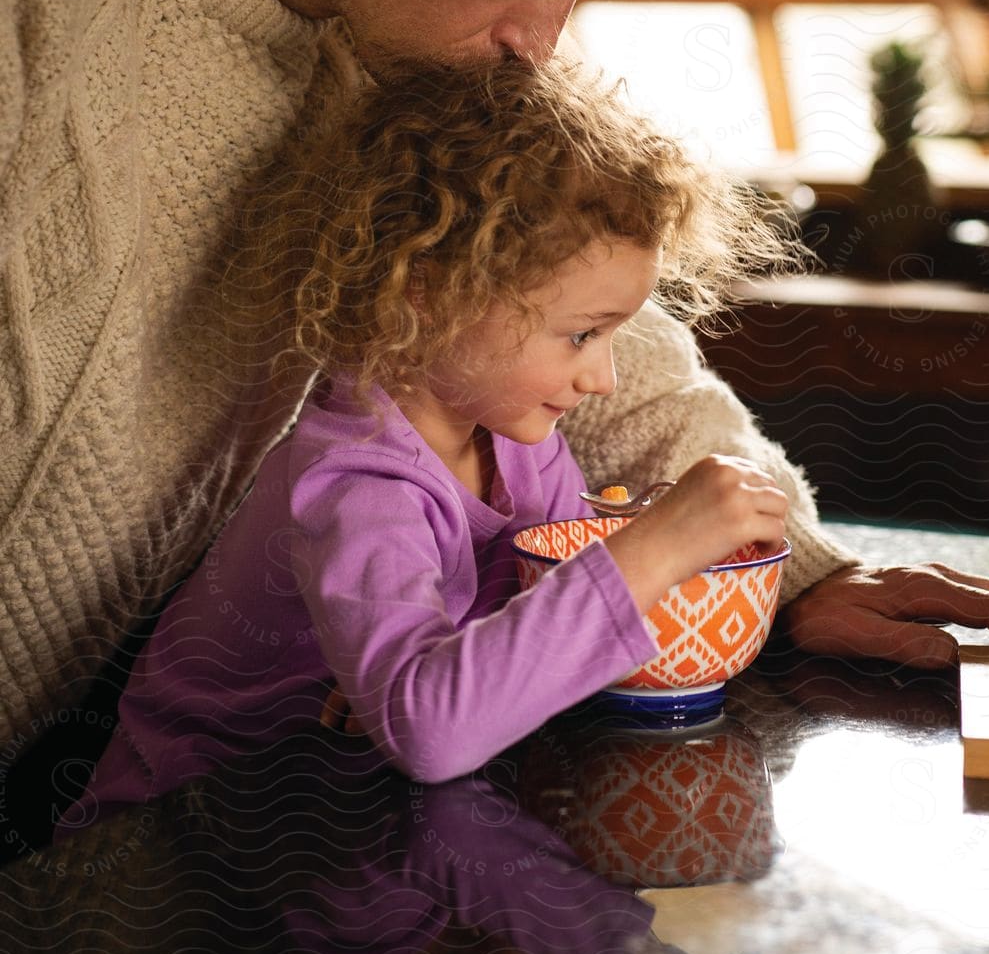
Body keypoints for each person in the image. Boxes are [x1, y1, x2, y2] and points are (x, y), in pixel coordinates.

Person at [1, 0, 989, 832]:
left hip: (122, 799)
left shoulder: (437, 45)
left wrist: (793, 569)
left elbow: (581, 327)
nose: (541, 47)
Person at [56, 55, 794, 822]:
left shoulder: (518, 443)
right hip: (182, 854)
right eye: (581, 335)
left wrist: (646, 535)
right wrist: (654, 551)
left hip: (345, 816)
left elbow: (518, 645)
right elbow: (431, 733)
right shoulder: (355, 481)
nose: (603, 378)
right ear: (431, 295)